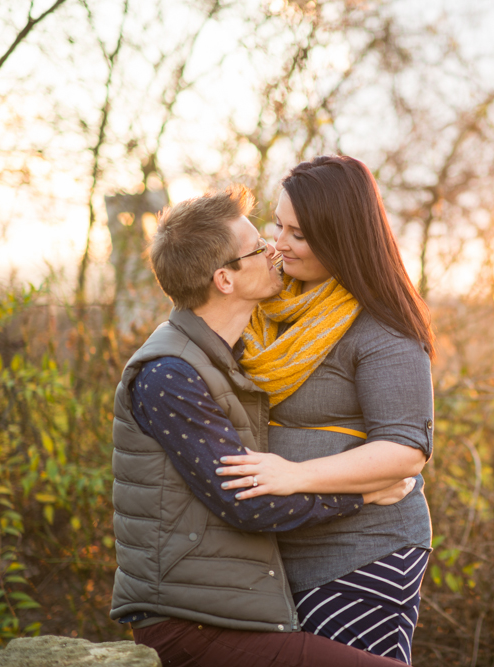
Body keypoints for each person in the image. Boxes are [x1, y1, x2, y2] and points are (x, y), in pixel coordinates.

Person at [109, 184, 409, 667]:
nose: (274, 250)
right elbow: (249, 505)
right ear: (224, 279)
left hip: (225, 608)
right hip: (191, 622)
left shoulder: (226, 357)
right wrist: (364, 493)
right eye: (257, 248)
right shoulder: (171, 375)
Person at [214, 156, 434, 664]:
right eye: (278, 225)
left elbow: (405, 452)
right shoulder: (268, 308)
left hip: (365, 551)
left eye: (301, 235)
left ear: (342, 238)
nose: (280, 244)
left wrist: (294, 475)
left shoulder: (383, 328)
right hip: (277, 554)